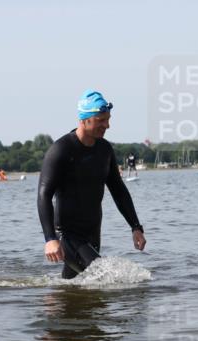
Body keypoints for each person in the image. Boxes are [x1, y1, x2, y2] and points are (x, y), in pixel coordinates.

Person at [38, 89, 146, 279]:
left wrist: (135, 227)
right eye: (101, 120)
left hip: (93, 233)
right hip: (67, 236)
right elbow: (44, 195)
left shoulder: (104, 150)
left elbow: (118, 190)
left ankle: (56, 303)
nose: (107, 125)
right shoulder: (61, 150)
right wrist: (50, 239)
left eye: (108, 119)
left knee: (76, 288)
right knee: (105, 277)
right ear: (83, 119)